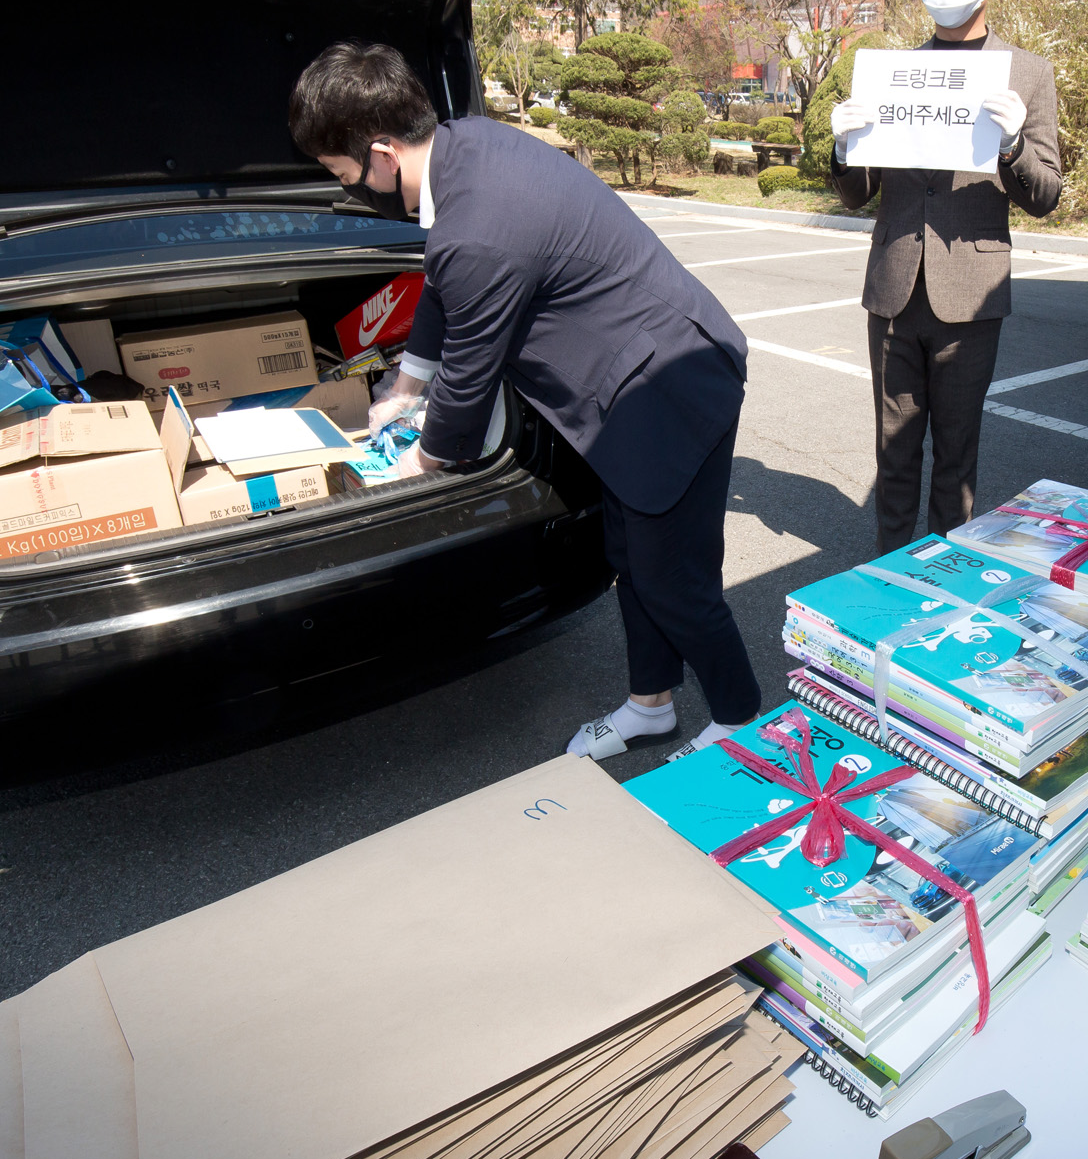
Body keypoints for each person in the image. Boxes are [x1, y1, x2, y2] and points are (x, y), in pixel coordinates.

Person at [288, 43, 762, 759]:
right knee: (629, 556)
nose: (347, 183)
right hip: (631, 381)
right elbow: (444, 289)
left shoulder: (477, 224)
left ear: (382, 151)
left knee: (675, 579)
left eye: (342, 170)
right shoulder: (464, 145)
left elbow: (470, 381)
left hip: (670, 386)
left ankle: (738, 716)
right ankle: (650, 705)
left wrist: (414, 464)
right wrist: (406, 384)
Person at [828, 0, 1063, 554]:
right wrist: (844, 149)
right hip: (895, 288)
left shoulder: (1027, 73)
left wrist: (1013, 145)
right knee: (894, 456)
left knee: (955, 460)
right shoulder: (890, 73)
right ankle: (887, 579)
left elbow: (1045, 194)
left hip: (971, 291)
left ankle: (943, 582)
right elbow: (857, 194)